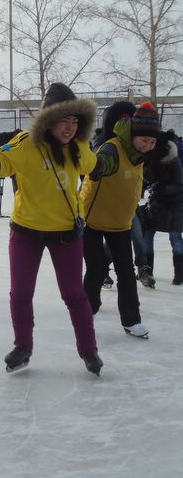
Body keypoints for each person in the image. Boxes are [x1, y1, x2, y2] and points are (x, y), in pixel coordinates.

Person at [0, 82, 103, 375]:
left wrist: (101, 163)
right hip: (27, 232)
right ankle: (23, 346)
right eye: (64, 120)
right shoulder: (27, 143)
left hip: (66, 233)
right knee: (21, 293)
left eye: (75, 121)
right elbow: (5, 159)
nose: (70, 127)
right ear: (48, 119)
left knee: (74, 294)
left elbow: (91, 163)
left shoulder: (78, 147)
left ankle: (89, 350)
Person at [81, 101, 159, 339]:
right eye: (144, 140)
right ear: (133, 134)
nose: (148, 146)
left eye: (152, 142)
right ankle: (87, 311)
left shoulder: (140, 155)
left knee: (126, 273)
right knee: (96, 269)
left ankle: (131, 320)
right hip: (92, 221)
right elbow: (103, 162)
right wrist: (98, 167)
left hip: (120, 223)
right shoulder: (112, 148)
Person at [141, 132, 183, 285]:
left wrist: (162, 188)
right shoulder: (149, 158)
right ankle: (147, 271)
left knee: (175, 238)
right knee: (147, 235)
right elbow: (144, 177)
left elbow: (179, 185)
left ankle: (179, 274)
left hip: (175, 205)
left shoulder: (173, 160)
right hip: (156, 205)